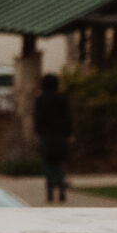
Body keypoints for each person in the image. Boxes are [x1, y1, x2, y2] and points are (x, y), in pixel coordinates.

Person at [32, 72, 73, 203]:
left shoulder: (40, 99)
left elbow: (37, 118)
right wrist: (69, 133)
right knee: (59, 162)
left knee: (48, 162)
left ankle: (50, 190)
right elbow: (68, 118)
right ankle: (60, 183)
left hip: (46, 134)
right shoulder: (62, 99)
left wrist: (37, 132)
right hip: (60, 134)